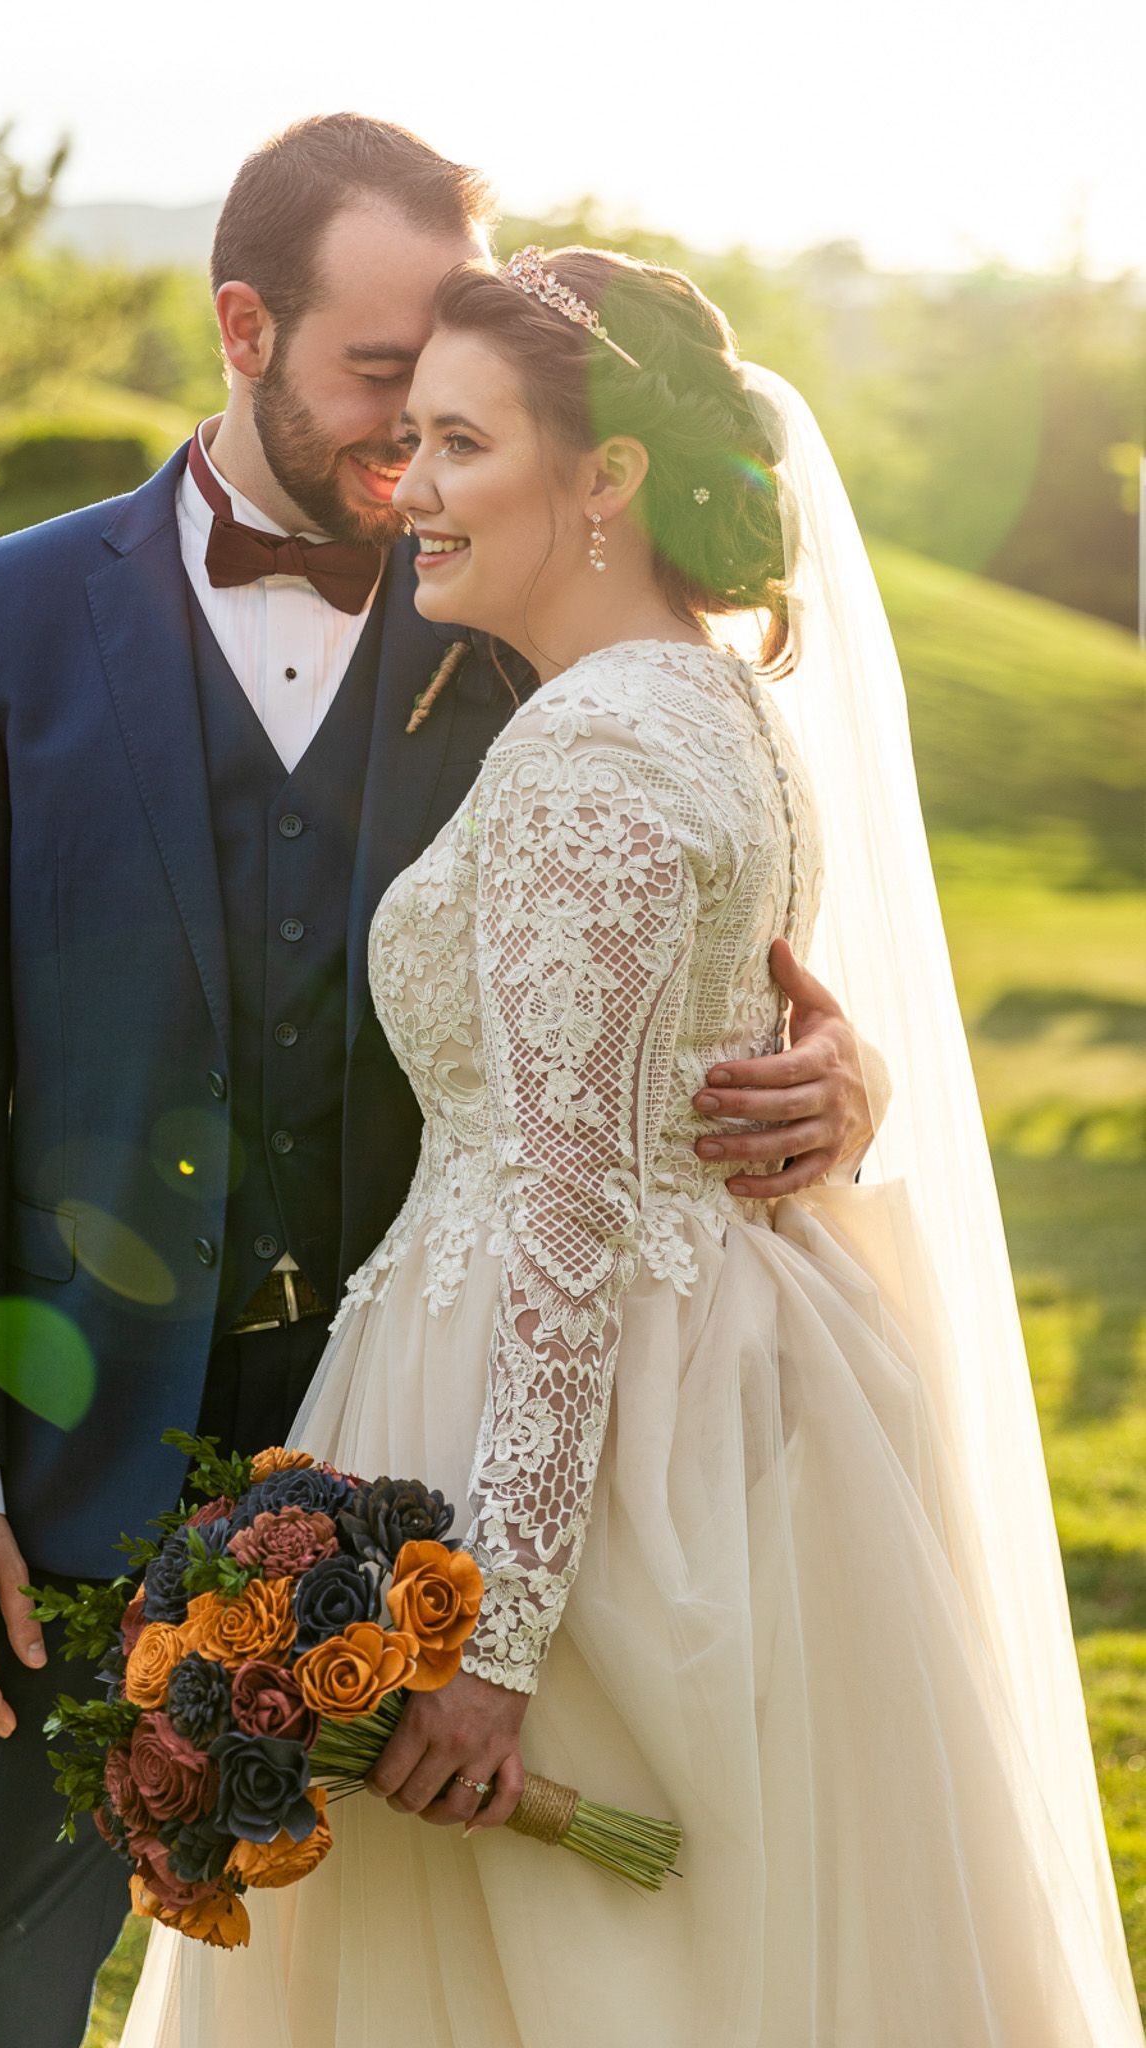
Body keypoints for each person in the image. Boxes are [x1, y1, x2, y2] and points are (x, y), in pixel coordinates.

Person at [0, 120, 877, 2048]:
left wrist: (840, 1070)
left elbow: (689, 944)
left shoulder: (518, 593)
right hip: (75, 1448)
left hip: (432, 1463)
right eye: (377, 379)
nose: (413, 451)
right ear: (243, 325)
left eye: (450, 399)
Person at [116, 247, 1144, 2045]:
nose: (405, 486)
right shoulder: (709, 702)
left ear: (603, 480)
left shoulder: (593, 753)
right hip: (724, 1367)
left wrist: (489, 1642)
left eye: (457, 444)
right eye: (407, 436)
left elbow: (572, 1221)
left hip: (585, 1436)